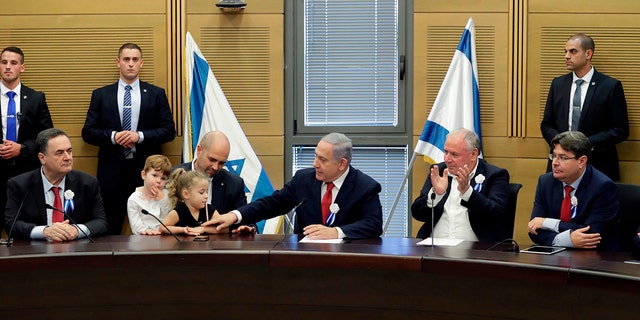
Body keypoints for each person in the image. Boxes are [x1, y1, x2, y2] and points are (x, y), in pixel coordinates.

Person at [204, 132, 383, 240]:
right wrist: (235, 215)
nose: (315, 164)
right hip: (304, 262)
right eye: (315, 156)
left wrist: (336, 232)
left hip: (347, 264)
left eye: (322, 159)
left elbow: (373, 224)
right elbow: (272, 204)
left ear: (342, 164)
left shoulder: (365, 187)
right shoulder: (304, 179)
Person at [82, 43, 175, 235]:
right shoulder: (101, 94)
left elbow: (168, 131)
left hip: (147, 171)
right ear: (118, 62)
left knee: (152, 226)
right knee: (110, 226)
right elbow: (88, 132)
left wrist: (139, 136)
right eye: (126, 59)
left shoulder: (157, 94)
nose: (130, 64)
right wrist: (113, 136)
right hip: (111, 171)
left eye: (135, 60)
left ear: (142, 63)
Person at [540, 33, 628, 181]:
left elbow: (620, 130)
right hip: (561, 165)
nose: (567, 56)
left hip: (598, 165)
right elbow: (546, 124)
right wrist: (561, 144)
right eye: (565, 51)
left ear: (588, 54)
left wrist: (584, 144)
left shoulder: (610, 86)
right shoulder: (558, 84)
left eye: (573, 51)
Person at [4, 128, 107, 241]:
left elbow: (101, 222)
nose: (67, 157)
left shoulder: (87, 183)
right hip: (36, 252)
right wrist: (44, 231)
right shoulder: (20, 185)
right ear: (42, 158)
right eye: (59, 153)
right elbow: (11, 225)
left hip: (76, 252)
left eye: (69, 151)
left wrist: (77, 230)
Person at [411, 128, 511, 242]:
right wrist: (435, 195)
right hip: (434, 249)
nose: (447, 159)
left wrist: (468, 192)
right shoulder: (439, 171)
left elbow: (497, 213)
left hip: (476, 252)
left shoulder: (494, 175)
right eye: (446, 152)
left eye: (454, 154)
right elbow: (417, 214)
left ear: (473, 154)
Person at [528, 131, 619, 251]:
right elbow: (534, 229)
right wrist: (568, 240)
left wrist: (548, 223)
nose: (554, 163)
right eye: (554, 156)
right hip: (554, 257)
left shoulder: (602, 186)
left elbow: (591, 235)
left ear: (581, 161)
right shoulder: (546, 182)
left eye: (563, 158)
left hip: (596, 259)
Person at [0, 46, 54, 234]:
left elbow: (47, 136)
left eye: (13, 63)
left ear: (22, 67)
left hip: (26, 173)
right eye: (4, 62)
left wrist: (22, 148)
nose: (8, 67)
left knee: (25, 228)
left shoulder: (36, 98)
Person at [174, 130, 246, 214]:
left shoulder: (234, 184)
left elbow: (246, 221)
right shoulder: (172, 176)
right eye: (212, 159)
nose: (215, 167)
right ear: (199, 150)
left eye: (221, 163)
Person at [160, 168, 228, 236]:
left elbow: (225, 228)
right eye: (201, 192)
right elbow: (162, 228)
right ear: (186, 194)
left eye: (207, 192)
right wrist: (183, 230)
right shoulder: (179, 211)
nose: (206, 196)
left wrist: (203, 229)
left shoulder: (209, 210)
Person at [127, 155, 173, 235]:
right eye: (154, 175)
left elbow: (171, 220)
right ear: (143, 175)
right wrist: (148, 232)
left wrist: (163, 200)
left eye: (163, 178)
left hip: (165, 237)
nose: (158, 181)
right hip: (144, 239)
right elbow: (136, 226)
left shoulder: (168, 195)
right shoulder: (134, 199)